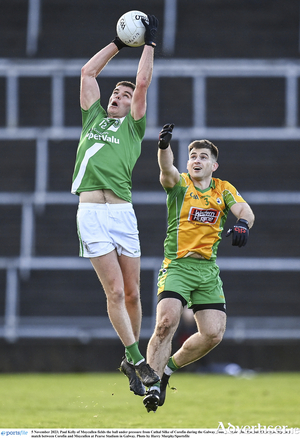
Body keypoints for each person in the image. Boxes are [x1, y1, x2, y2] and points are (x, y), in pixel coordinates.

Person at [71, 15, 160, 397]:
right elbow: (88, 72)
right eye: (115, 93)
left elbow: (141, 83)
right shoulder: (92, 116)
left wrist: (150, 44)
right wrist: (120, 43)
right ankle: (137, 359)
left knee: (133, 294)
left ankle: (129, 357)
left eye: (123, 96)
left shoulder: (133, 128)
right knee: (113, 292)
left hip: (122, 213)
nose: (117, 96)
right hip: (91, 213)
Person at [143, 124, 255, 412]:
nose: (196, 159)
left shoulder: (223, 188)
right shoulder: (179, 184)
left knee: (214, 334)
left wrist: (242, 223)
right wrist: (163, 147)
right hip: (178, 266)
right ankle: (152, 385)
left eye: (203, 156)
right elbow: (166, 170)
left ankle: (166, 371)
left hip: (207, 270)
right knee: (166, 322)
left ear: (213, 165)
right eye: (192, 155)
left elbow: (246, 211)